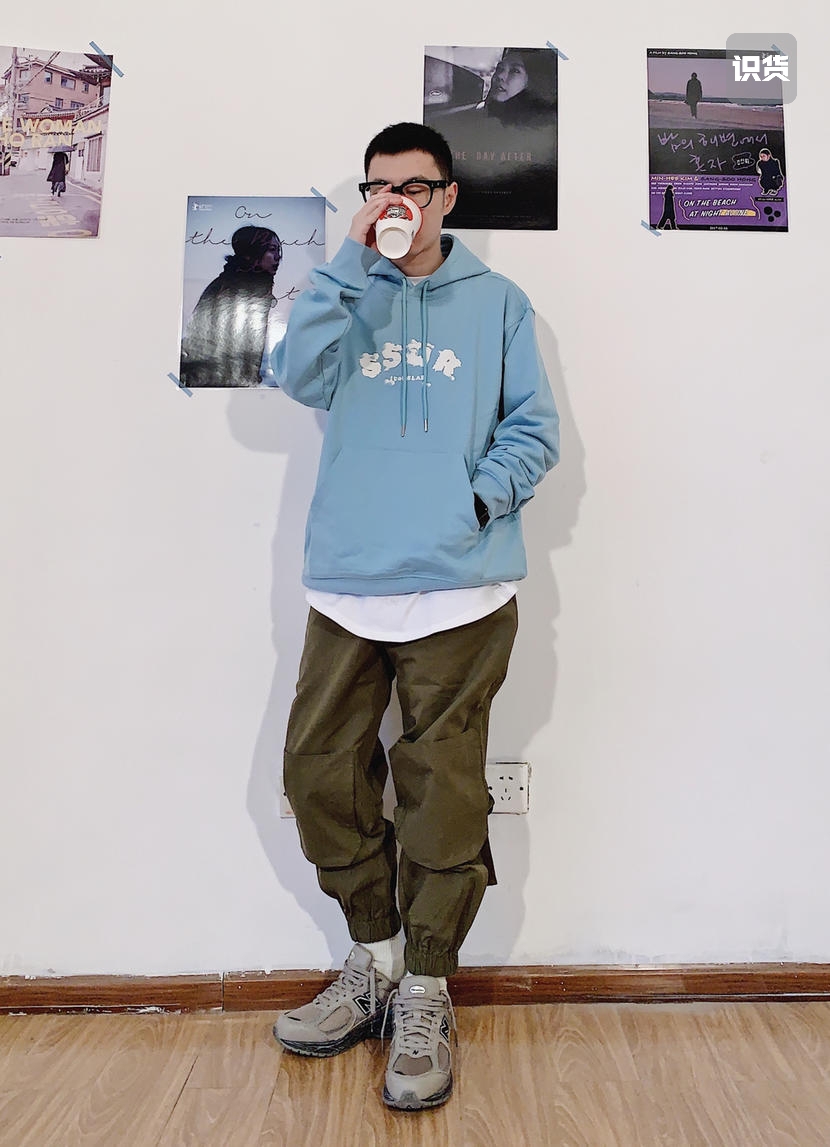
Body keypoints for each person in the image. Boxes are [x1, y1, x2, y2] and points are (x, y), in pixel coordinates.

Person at [271, 122, 559, 1111]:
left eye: (415, 186)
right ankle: (377, 955)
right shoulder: (343, 290)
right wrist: (346, 266)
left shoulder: (499, 302)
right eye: (378, 186)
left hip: (462, 583)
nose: (396, 201)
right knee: (317, 770)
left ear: (447, 197)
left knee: (444, 787)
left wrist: (472, 501)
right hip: (348, 579)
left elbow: (533, 428)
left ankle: (427, 985)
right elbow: (295, 378)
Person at [179, 225, 282, 387]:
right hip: (214, 382)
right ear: (251, 254)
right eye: (271, 250)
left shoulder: (244, 283)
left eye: (278, 250)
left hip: (220, 383)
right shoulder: (237, 288)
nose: (277, 257)